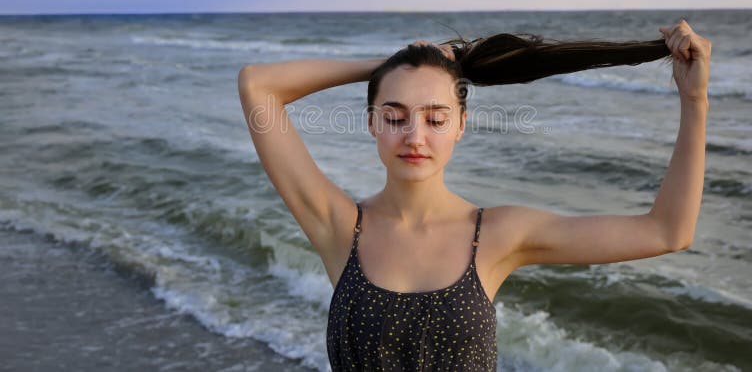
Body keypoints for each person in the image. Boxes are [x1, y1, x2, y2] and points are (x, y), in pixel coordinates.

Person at [237, 19, 712, 371]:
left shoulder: (498, 236)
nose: (415, 136)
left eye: (436, 118)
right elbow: (258, 86)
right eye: (395, 116)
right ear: (371, 123)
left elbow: (667, 231)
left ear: (461, 126)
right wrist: (392, 65)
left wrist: (695, 103)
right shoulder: (339, 228)